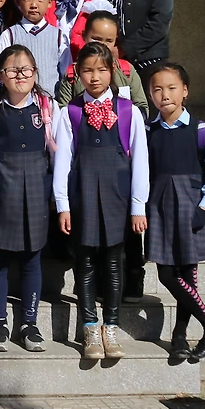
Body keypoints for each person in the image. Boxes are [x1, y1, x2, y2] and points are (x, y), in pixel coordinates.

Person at [93, 0, 173, 302]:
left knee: (141, 167)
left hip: (144, 67)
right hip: (108, 71)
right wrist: (107, 57)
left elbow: (160, 23)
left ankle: (137, 269)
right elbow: (95, 19)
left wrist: (121, 51)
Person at [53, 42, 149, 361]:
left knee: (114, 261)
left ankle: (111, 326)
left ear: (113, 71)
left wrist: (137, 206)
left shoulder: (129, 111)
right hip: (82, 192)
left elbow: (141, 162)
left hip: (116, 193)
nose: (94, 77)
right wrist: (63, 204)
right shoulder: (71, 112)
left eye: (101, 70)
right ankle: (90, 327)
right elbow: (63, 161)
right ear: (77, 73)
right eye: (87, 70)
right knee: (85, 262)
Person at [146, 63, 205, 364]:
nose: (164, 95)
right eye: (157, 89)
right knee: (167, 273)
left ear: (185, 91)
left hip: (190, 206)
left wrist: (204, 207)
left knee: (187, 277)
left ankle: (179, 336)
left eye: (171, 88)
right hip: (159, 206)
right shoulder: (148, 131)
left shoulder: (201, 131)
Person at [0, 45, 56, 353]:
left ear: (35, 73)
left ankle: (29, 323)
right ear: (0, 76)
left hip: (35, 185)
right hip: (0, 188)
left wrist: (58, 196)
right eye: (12, 70)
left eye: (26, 70)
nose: (20, 75)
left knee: (31, 258)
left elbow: (58, 152)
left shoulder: (47, 108)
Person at [55, 11, 149, 114]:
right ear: (84, 35)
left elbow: (141, 105)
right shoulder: (72, 74)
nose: (103, 45)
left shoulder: (126, 71)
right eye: (96, 39)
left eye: (109, 41)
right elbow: (64, 110)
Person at [0, 0, 68, 94]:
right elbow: (1, 71)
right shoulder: (9, 35)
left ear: (50, 2)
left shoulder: (59, 36)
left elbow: (65, 73)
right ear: (18, 1)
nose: (33, 5)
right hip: (17, 100)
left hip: (50, 101)